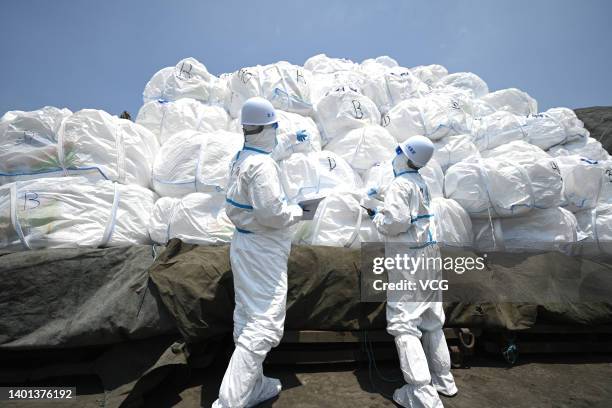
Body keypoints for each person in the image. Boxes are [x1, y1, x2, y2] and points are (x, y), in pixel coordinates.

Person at [212, 97, 305, 408]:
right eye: (276, 129)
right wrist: (299, 211)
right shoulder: (263, 167)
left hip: (245, 245)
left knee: (247, 315)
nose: (278, 134)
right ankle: (230, 401)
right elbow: (272, 214)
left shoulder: (242, 157)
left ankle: (255, 385)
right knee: (265, 322)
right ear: (267, 129)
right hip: (263, 249)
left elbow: (268, 152)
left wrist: (291, 141)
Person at [369, 135, 458, 408]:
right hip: (429, 253)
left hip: (409, 258)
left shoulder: (400, 184)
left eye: (397, 152)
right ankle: (443, 379)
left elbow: (396, 222)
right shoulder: (421, 182)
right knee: (431, 318)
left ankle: (420, 393)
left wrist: (376, 216)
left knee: (403, 322)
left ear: (403, 155)